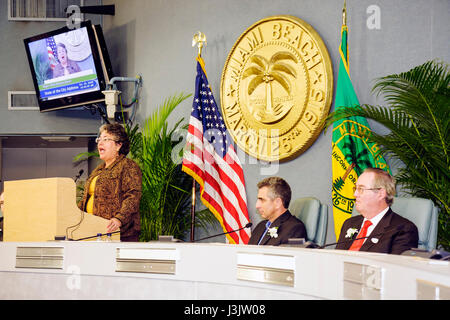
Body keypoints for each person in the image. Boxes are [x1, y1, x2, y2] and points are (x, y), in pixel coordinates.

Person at [78, 123, 142, 242]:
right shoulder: (98, 170)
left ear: (118, 145)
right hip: (94, 232)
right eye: (99, 139)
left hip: (120, 234)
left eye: (106, 139)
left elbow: (133, 196)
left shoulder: (128, 166)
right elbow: (86, 199)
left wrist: (119, 219)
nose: (100, 143)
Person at [336, 168, 418, 254]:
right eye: (355, 188)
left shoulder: (402, 230)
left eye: (361, 189)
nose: (355, 194)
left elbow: (395, 266)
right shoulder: (349, 223)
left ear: (381, 193)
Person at [248, 177, 307, 246]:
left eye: (262, 200)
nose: (257, 205)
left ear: (278, 203)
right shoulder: (261, 226)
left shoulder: (295, 229)